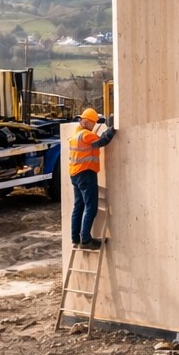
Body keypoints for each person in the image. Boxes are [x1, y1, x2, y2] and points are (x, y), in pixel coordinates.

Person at [68, 107, 116, 250]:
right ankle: (86, 239)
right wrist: (113, 129)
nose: (94, 125)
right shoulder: (86, 135)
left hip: (75, 175)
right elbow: (102, 141)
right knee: (91, 207)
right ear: (88, 122)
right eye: (94, 123)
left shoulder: (76, 135)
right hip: (86, 174)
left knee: (78, 207)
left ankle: (75, 238)